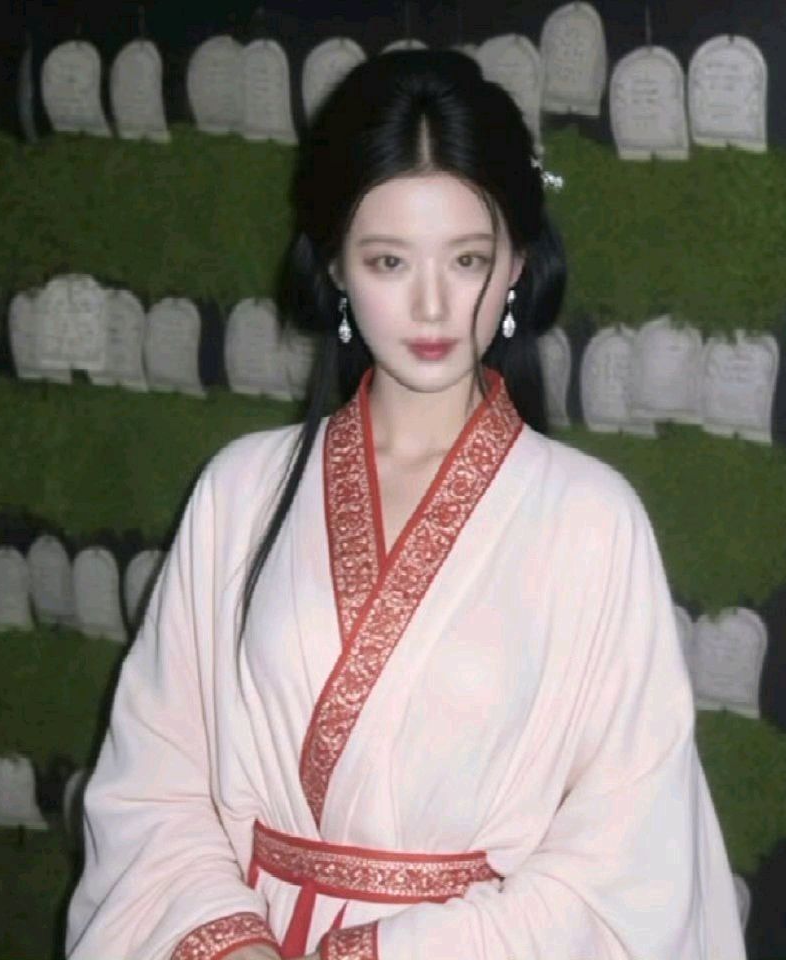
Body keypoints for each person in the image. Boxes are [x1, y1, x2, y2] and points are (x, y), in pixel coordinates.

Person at [65, 51, 746, 960]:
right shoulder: (240, 490)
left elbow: (628, 856)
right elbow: (155, 782)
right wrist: (232, 945)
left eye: (467, 259)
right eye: (388, 260)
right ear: (336, 267)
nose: (431, 306)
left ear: (517, 264)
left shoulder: (592, 520)